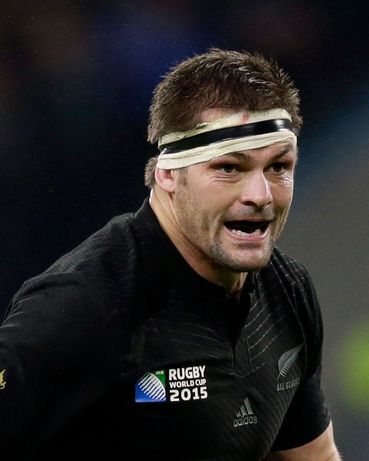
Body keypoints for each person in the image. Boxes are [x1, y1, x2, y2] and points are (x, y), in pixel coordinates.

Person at [0, 48, 341, 461]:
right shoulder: (86, 303)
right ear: (167, 174)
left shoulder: (286, 290)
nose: (260, 195)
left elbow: (313, 455)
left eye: (278, 166)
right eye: (229, 168)